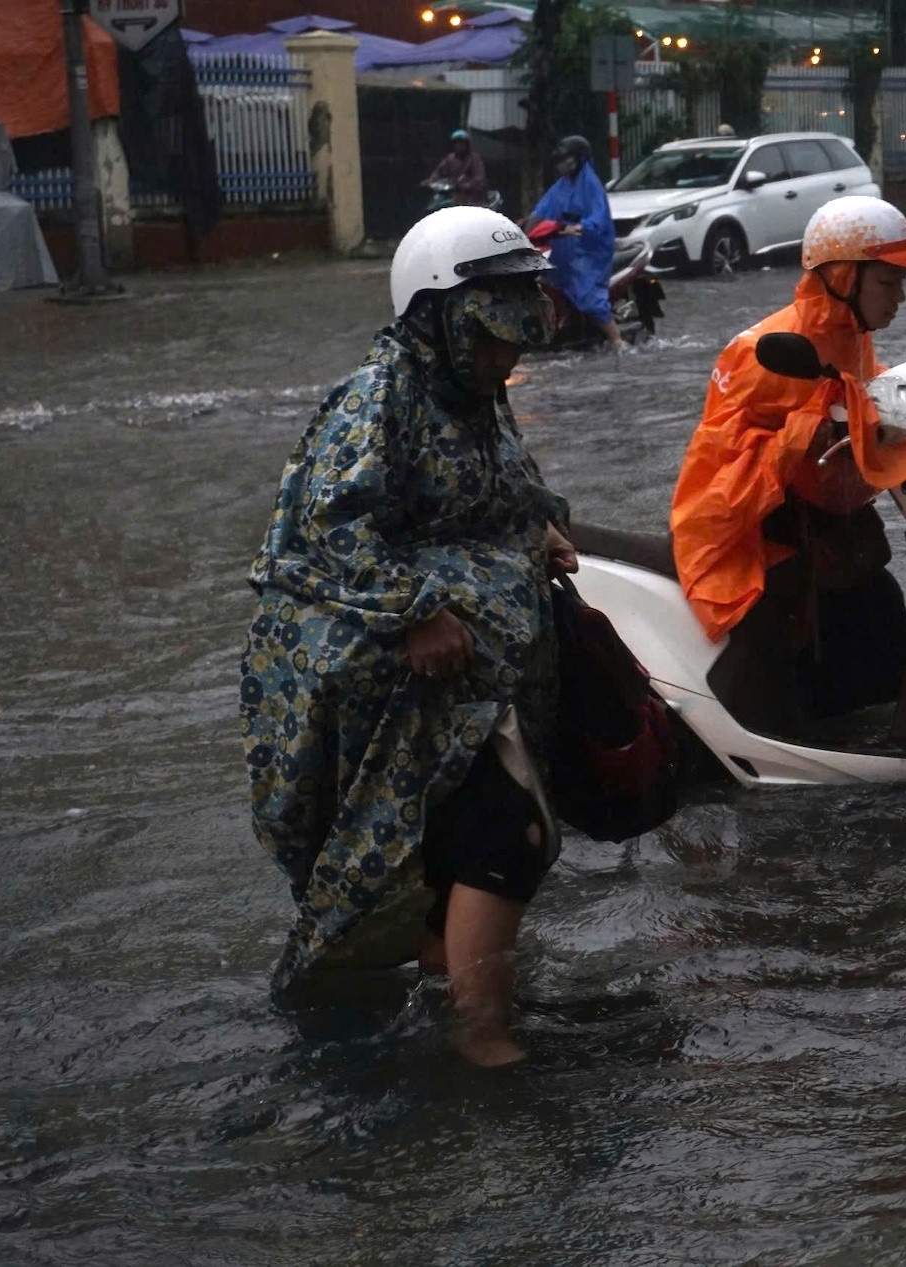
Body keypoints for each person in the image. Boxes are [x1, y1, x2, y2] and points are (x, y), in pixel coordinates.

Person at [242, 206, 574, 1067]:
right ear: (437, 319)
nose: (510, 356)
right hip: (397, 681)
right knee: (507, 833)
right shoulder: (379, 399)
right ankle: (484, 1039)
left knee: (466, 839)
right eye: (493, 337)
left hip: (471, 677)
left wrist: (539, 529)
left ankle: (451, 990)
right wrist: (416, 612)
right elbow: (330, 529)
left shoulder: (476, 398)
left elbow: (497, 487)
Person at [669, 196, 906, 741]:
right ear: (844, 278)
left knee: (881, 606)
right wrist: (800, 435)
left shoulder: (852, 338)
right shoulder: (760, 353)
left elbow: (869, 402)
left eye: (900, 285)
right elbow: (717, 473)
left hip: (829, 525)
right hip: (759, 536)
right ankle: (766, 746)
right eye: (888, 285)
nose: (901, 299)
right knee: (778, 617)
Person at [526, 136, 623, 349]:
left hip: (589, 249)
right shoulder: (562, 185)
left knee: (587, 295)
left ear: (578, 159)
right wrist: (524, 227)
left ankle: (617, 341)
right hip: (564, 245)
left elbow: (600, 216)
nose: (561, 164)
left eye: (566, 159)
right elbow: (542, 209)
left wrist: (581, 227)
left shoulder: (591, 184)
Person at [425, 129, 489, 207]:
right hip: (455, 192)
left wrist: (468, 185)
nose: (459, 145)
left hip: (473, 196)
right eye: (457, 143)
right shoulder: (450, 158)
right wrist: (430, 180)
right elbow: (439, 171)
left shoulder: (475, 158)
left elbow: (480, 177)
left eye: (462, 143)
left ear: (467, 144)